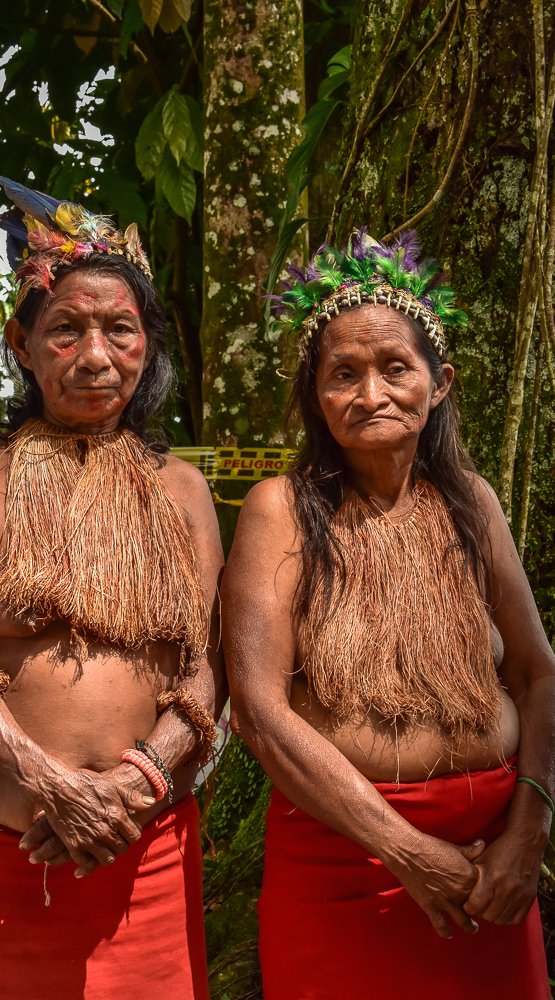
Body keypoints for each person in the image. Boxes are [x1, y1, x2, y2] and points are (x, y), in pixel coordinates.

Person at [0, 176, 225, 1000]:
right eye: (65, 330)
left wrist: (134, 786)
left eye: (120, 329)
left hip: (144, 851)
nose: (94, 356)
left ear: (147, 346)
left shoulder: (183, 491)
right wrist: (51, 785)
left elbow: (204, 669)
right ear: (21, 344)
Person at [222, 228, 554, 999]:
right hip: (341, 865)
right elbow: (260, 715)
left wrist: (529, 827)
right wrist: (401, 847)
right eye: (343, 374)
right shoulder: (280, 510)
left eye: (394, 368)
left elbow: (537, 672)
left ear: (439, 384)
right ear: (315, 395)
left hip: (489, 870)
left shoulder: (472, 503)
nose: (370, 394)